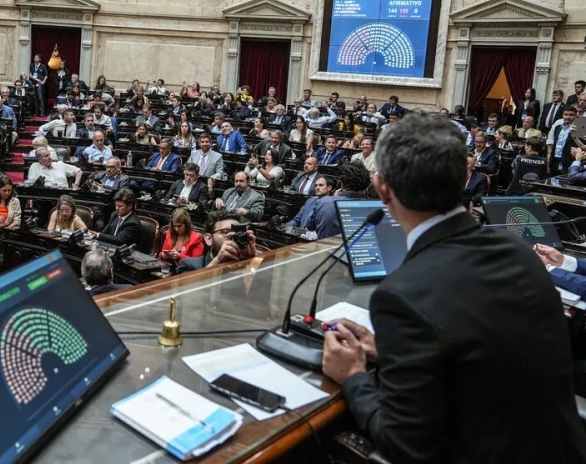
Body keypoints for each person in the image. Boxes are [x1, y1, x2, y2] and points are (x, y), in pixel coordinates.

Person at [321, 112, 586, 463]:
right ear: (464, 177)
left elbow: (407, 445)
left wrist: (353, 375)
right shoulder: (520, 252)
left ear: (382, 188)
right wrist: (395, 354)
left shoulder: (401, 295)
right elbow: (482, 357)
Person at [178, 211, 257, 272]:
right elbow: (190, 291)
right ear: (208, 238)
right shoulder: (189, 265)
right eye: (225, 232)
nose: (233, 238)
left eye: (238, 233)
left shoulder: (250, 263)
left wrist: (250, 262)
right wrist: (218, 260)